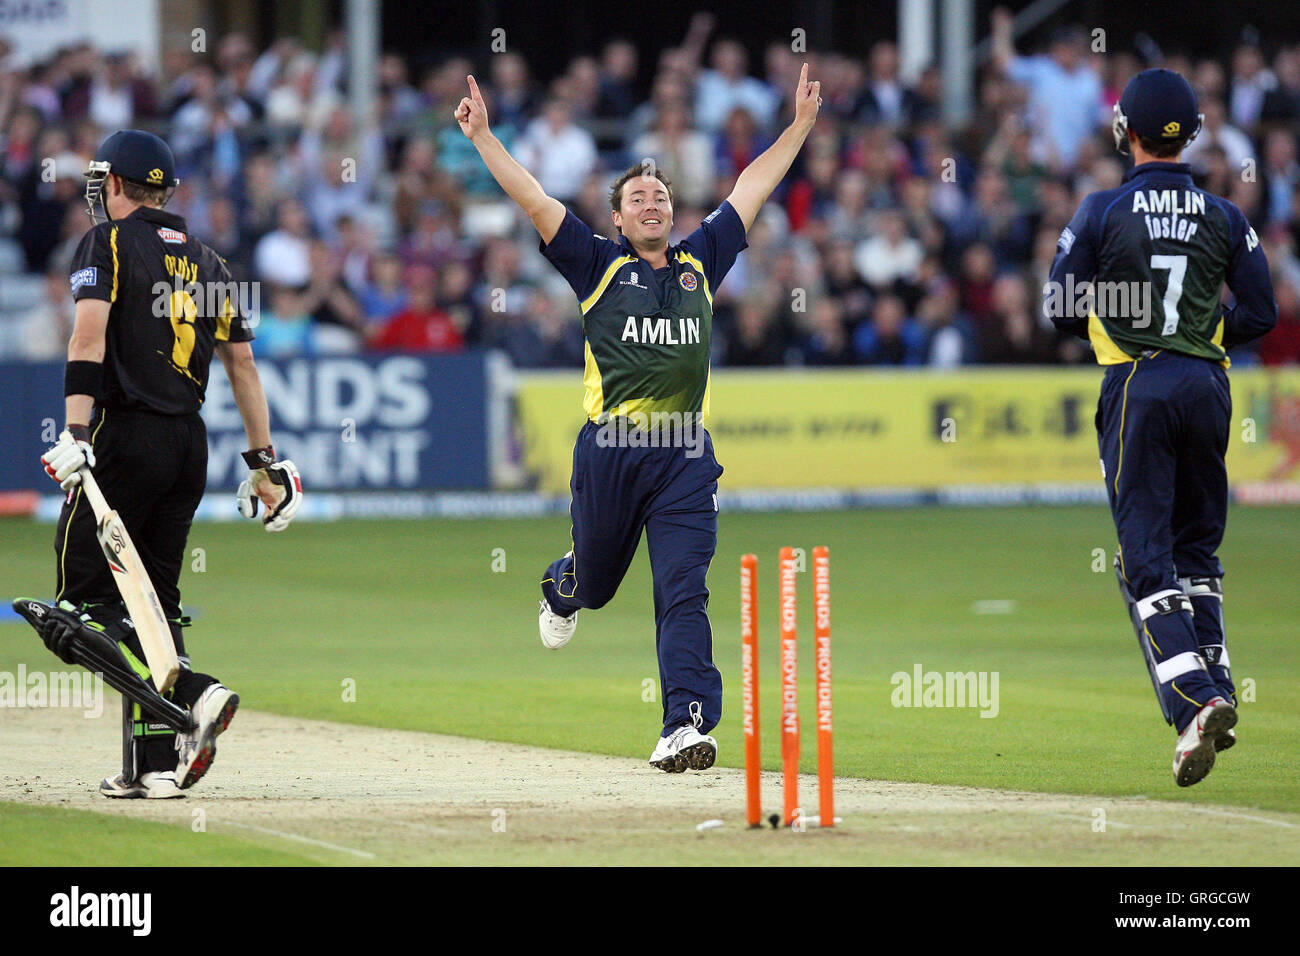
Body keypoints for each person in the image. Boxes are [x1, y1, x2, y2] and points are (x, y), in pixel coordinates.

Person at [455, 65, 821, 772]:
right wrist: (483, 138)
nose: (651, 205)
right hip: (611, 451)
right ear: (617, 218)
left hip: (685, 454)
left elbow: (752, 187)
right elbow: (533, 198)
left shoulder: (702, 260)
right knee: (594, 585)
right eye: (637, 199)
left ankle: (682, 722)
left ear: (673, 213)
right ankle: (564, 585)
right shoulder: (594, 264)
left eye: (660, 196)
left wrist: (801, 126)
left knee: (683, 585)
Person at [27, 129, 303, 798]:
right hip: (189, 445)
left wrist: (76, 431)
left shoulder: (107, 243)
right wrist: (265, 464)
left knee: (80, 609)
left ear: (116, 184)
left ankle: (195, 694)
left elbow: (86, 335)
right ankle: (153, 769)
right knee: (155, 604)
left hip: (124, 440)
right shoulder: (211, 261)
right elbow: (243, 365)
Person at [1046, 70, 1277, 786]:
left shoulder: (1102, 209)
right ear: (1193, 135)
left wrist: (1130, 328)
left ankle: (1193, 704)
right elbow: (1263, 313)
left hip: (1139, 383)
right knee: (1197, 556)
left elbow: (1059, 306)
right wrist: (1203, 335)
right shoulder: (1227, 217)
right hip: (1209, 386)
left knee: (1145, 560)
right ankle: (1218, 692)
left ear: (1128, 132)